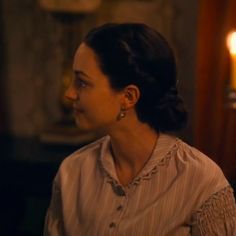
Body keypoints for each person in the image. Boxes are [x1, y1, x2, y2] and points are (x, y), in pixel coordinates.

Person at [44, 23, 236, 236]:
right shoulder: (72, 172)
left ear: (128, 97)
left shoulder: (202, 183)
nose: (70, 93)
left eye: (82, 83)